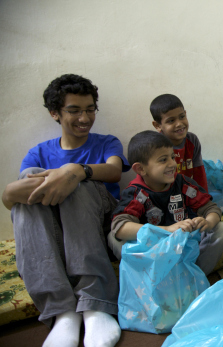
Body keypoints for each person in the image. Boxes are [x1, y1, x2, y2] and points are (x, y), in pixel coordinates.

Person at [1, 74, 130, 347]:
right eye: (74, 110)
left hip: (97, 230)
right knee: (31, 180)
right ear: (55, 114)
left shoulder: (106, 142)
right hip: (56, 240)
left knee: (77, 184)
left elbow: (115, 171)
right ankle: (63, 312)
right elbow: (13, 198)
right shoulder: (38, 153)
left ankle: (96, 306)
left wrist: (76, 171)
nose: (84, 117)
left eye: (90, 109)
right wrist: (10, 192)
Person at [108, 130, 223, 276]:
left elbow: (211, 208)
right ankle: (154, 280)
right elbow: (120, 226)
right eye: (163, 160)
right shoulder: (137, 193)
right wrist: (167, 230)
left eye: (172, 157)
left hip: (184, 251)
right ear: (141, 169)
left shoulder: (183, 184)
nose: (173, 164)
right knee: (113, 238)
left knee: (221, 229)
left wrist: (207, 222)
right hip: (154, 258)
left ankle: (192, 276)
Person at [150, 94, 208, 192]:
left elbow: (199, 173)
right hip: (165, 195)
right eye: (171, 121)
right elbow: (151, 181)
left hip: (189, 192)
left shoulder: (192, 140)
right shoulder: (155, 146)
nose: (179, 124)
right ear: (157, 125)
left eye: (182, 117)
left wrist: (204, 197)